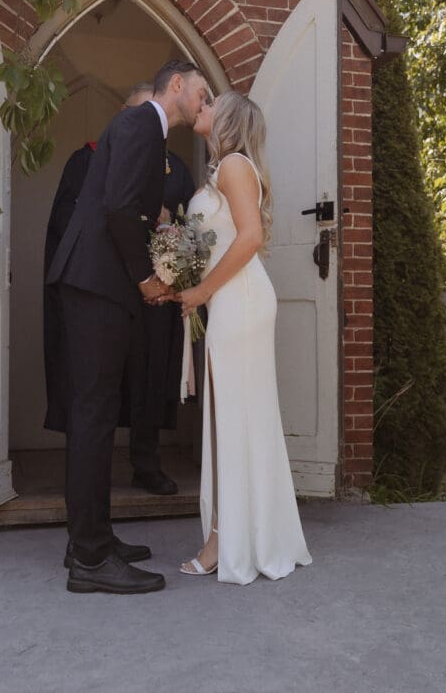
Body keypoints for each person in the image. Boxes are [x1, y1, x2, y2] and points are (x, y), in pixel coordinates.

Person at [47, 60, 209, 595]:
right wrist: (146, 279)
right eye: (201, 92)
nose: (203, 103)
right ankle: (91, 560)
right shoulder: (143, 122)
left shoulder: (141, 130)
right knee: (92, 416)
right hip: (99, 286)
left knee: (92, 412)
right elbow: (119, 211)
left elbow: (130, 211)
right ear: (177, 86)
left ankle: (89, 538)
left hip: (95, 284)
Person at [178, 91, 312, 585]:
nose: (202, 107)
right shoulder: (226, 169)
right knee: (237, 419)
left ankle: (224, 542)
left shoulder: (234, 164)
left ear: (227, 120)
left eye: (211, 102)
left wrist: (201, 291)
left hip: (241, 301)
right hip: (230, 301)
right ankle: (248, 533)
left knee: (233, 421)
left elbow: (250, 237)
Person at [42, 82, 195, 496]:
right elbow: (70, 222)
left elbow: (191, 229)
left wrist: (169, 237)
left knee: (146, 381)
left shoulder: (176, 168)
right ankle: (94, 486)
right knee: (96, 396)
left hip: (151, 296)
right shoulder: (87, 160)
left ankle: (146, 463)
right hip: (105, 288)